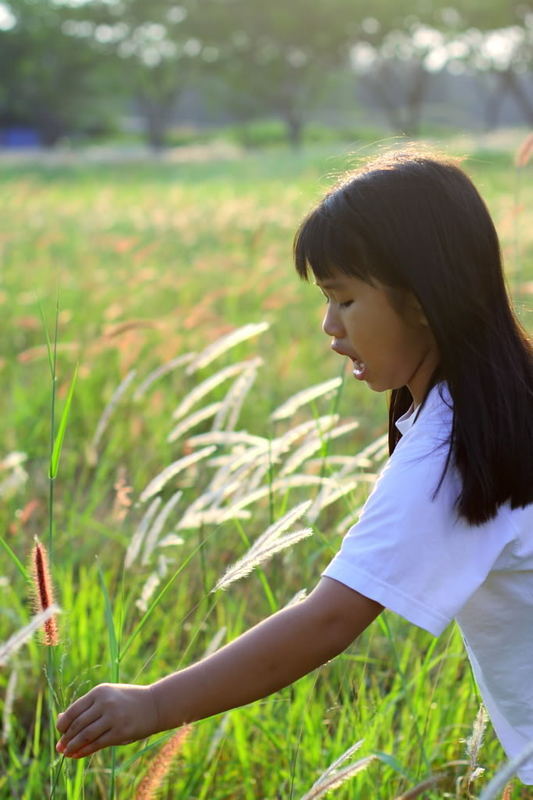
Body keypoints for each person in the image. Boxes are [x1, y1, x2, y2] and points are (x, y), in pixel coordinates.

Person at [56, 147, 533, 785]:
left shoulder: (451, 448)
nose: (328, 326)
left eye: (344, 299)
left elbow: (329, 618)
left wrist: (156, 702)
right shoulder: (503, 402)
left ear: (422, 299)